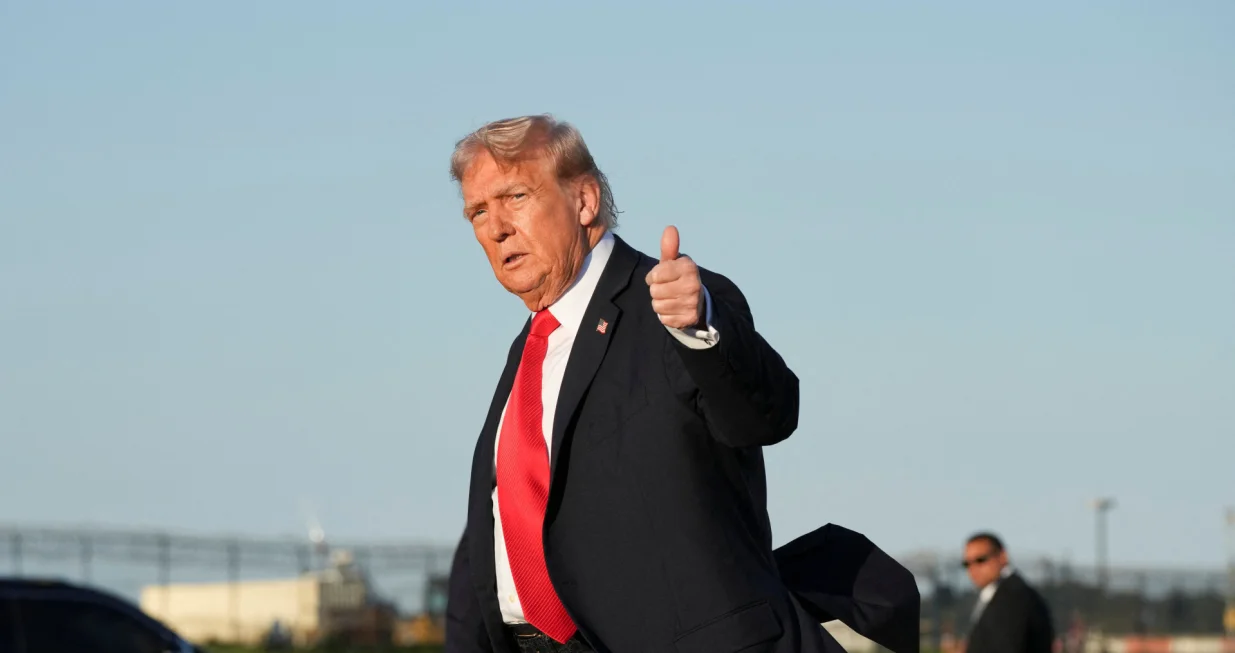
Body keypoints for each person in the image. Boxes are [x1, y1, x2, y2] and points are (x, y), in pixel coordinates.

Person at [444, 114, 918, 653]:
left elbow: (768, 412)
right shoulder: (530, 350)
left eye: (516, 197)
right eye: (478, 212)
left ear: (584, 201)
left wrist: (701, 326)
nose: (495, 227)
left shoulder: (674, 303)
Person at [961, 532, 1054, 653]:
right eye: (967, 564)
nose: (972, 569)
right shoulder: (1004, 593)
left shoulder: (1013, 598)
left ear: (1002, 557)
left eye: (980, 560)